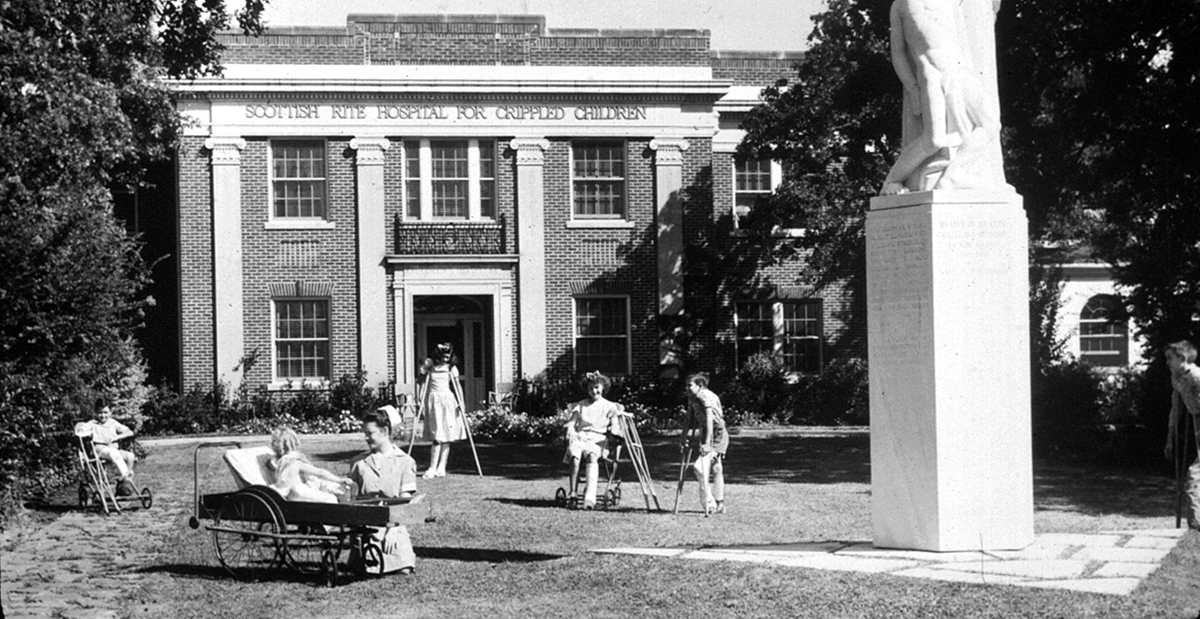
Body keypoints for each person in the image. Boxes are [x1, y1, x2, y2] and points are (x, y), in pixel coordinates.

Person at [880, 0, 1002, 195]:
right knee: (933, 141)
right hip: (932, 76)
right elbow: (898, 53)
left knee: (990, 124)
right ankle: (891, 181)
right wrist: (912, 88)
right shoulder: (900, 5)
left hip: (960, 72)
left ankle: (953, 176)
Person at [349, 409, 418, 574]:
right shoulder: (358, 463)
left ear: (385, 431)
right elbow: (351, 499)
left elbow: (405, 501)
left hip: (394, 522)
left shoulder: (405, 462)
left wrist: (394, 529)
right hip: (366, 525)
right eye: (364, 433)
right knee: (366, 568)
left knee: (403, 568)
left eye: (370, 433)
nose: (366, 437)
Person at [563, 372, 622, 509]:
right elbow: (572, 422)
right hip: (581, 436)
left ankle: (590, 495)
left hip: (599, 439)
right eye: (590, 388)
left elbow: (615, 423)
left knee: (592, 455)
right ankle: (573, 493)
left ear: (603, 388)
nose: (594, 391)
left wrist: (614, 429)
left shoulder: (609, 406)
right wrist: (570, 427)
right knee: (575, 456)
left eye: (596, 387)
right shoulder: (582, 405)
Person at [1164, 340, 1200, 530]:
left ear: (1182, 358)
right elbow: (1176, 409)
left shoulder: (1196, 376)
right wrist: (1170, 439)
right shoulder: (1177, 379)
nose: (1167, 363)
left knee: (1195, 473)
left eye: (1170, 358)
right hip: (1196, 420)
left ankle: (1196, 522)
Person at [267, 426, 354, 504]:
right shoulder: (296, 461)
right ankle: (330, 519)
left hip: (290, 493)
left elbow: (271, 465)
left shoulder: (280, 461)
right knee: (330, 498)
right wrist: (339, 479)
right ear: (294, 443)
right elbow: (321, 472)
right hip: (298, 492)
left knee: (325, 488)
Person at [681, 373, 728, 515]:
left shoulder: (705, 396)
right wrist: (683, 437)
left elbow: (709, 418)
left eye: (690, 385)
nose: (687, 389)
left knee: (700, 467)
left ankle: (711, 504)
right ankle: (719, 504)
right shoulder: (692, 397)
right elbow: (689, 417)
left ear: (700, 385)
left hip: (717, 432)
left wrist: (707, 443)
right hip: (706, 431)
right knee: (716, 468)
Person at [418, 343, 468, 478]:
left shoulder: (451, 368)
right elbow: (422, 382)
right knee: (437, 436)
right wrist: (420, 398)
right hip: (434, 401)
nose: (446, 359)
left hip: (448, 401)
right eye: (444, 356)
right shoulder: (430, 365)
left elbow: (457, 386)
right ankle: (432, 467)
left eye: (448, 357)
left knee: (446, 434)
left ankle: (442, 467)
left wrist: (461, 403)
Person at [84, 399, 138, 496]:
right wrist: (84, 431)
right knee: (113, 453)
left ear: (110, 413)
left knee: (130, 456)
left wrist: (117, 436)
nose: (103, 415)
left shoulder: (113, 423)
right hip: (99, 450)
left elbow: (129, 432)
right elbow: (81, 430)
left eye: (105, 412)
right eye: (100, 413)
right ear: (96, 412)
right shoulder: (92, 424)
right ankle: (126, 474)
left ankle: (125, 481)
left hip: (113, 450)